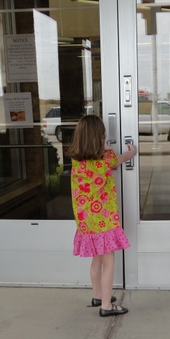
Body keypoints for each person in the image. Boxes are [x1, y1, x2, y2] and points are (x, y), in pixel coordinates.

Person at [69, 114, 137, 317]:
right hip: (104, 221)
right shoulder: (106, 159)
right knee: (109, 262)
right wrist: (132, 151)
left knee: (96, 260)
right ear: (99, 138)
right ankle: (106, 306)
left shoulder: (76, 162)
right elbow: (121, 159)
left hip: (86, 222)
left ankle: (98, 295)